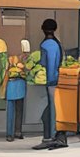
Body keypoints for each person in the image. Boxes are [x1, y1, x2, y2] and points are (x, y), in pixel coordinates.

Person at [33, 18, 66, 150]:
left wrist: (49, 80)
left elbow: (50, 64)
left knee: (51, 112)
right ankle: (52, 137)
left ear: (43, 28)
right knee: (50, 111)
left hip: (51, 82)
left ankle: (51, 138)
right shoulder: (56, 43)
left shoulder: (48, 44)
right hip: (54, 80)